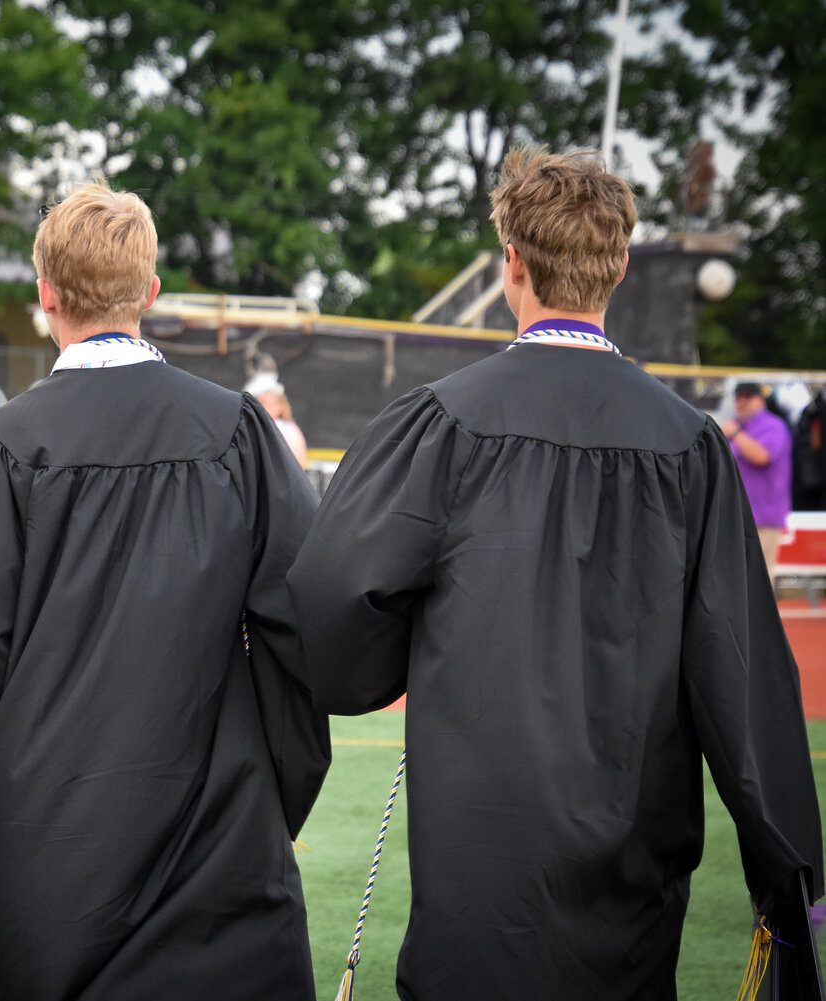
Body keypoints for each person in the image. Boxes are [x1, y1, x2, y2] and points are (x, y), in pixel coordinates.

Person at [288, 148, 823, 1000]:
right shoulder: (689, 447)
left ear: (512, 264)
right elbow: (743, 670)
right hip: (633, 871)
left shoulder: (438, 426)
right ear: (618, 267)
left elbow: (328, 614)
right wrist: (786, 871)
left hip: (477, 864)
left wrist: (390, 655)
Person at [0, 182, 329, 1001]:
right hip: (222, 830)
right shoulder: (239, 436)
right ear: (152, 293)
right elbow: (301, 627)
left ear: (45, 294)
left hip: (52, 841)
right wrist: (275, 783)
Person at [724, 382, 793, 579]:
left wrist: (736, 434)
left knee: (759, 578)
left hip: (764, 515)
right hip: (737, 514)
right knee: (737, 577)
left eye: (748, 397)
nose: (742, 402)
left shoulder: (773, 426)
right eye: (739, 398)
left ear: (760, 400)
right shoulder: (735, 426)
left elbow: (762, 456)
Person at [244, 372, 310, 468]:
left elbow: (301, 462)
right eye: (264, 402)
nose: (270, 407)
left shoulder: (290, 430)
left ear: (282, 406)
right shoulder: (247, 427)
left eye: (274, 402)